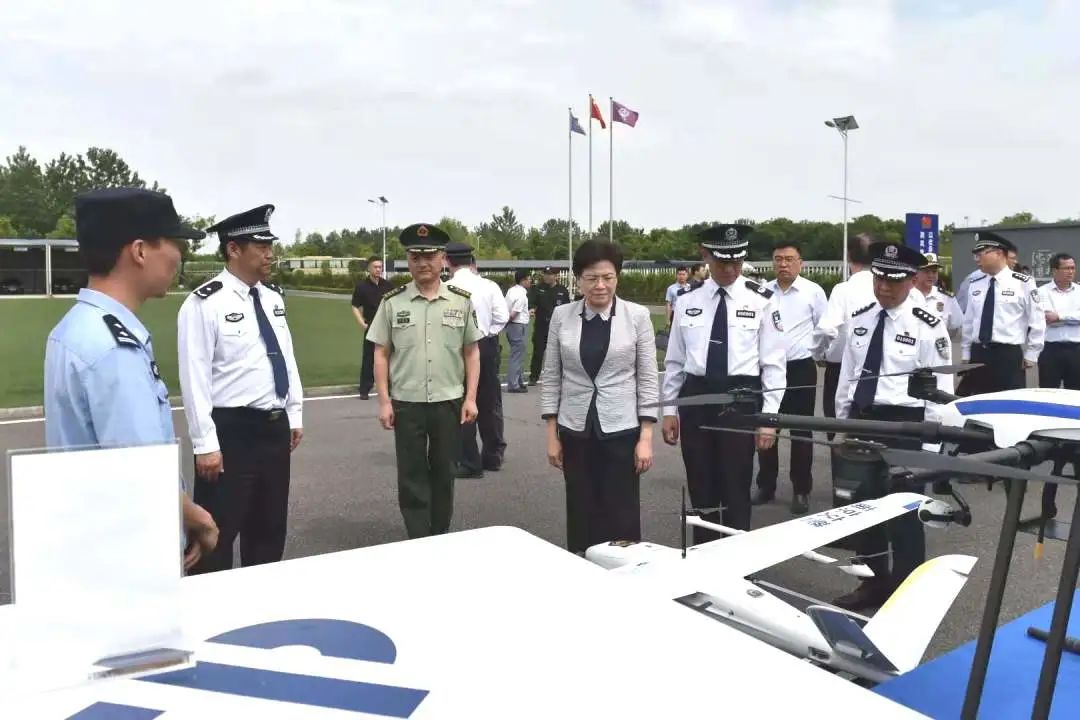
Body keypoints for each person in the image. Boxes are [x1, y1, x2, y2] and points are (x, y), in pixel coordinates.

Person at [44, 187, 218, 571]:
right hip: (131, 549)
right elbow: (142, 469)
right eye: (173, 243)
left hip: (92, 539)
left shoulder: (75, 328)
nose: (180, 255)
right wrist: (198, 518)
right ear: (139, 251)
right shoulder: (114, 347)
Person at [177, 205, 304, 574]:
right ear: (234, 249)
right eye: (261, 246)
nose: (270, 254)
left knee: (269, 530)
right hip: (231, 432)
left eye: (270, 246)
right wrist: (205, 444)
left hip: (273, 428)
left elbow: (286, 357)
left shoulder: (273, 298)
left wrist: (294, 412)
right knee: (217, 533)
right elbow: (195, 377)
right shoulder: (204, 303)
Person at [832, 242, 954, 610]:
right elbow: (848, 376)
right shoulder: (861, 318)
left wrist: (931, 449)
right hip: (863, 421)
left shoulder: (928, 325)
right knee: (862, 509)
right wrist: (841, 425)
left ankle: (905, 589)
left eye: (893, 281)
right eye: (879, 279)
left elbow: (940, 390)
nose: (884, 287)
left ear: (913, 281)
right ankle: (871, 582)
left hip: (906, 426)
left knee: (905, 513)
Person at [662, 224, 785, 539]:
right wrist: (669, 410)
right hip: (696, 399)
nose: (730, 269)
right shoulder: (687, 298)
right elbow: (674, 360)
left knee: (735, 486)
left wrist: (769, 418)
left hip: (739, 399)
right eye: (722, 262)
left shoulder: (762, 299)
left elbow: (773, 364)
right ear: (705, 256)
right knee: (701, 485)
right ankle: (703, 554)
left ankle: (736, 557)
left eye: (737, 262)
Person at [541, 240, 658, 553]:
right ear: (578, 279)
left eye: (607, 277)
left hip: (621, 429)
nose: (600, 285)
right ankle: (582, 563)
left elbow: (648, 378)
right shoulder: (561, 316)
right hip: (575, 428)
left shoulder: (637, 316)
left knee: (621, 509)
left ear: (617, 277)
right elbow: (551, 376)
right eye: (591, 278)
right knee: (581, 506)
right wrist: (552, 434)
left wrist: (646, 437)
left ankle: (625, 565)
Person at [367, 223, 482, 538]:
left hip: (448, 400)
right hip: (407, 402)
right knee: (411, 473)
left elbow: (472, 352)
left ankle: (439, 532)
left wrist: (471, 398)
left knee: (445, 471)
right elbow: (381, 354)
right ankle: (418, 535)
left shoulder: (460, 301)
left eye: (429, 256)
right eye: (415, 257)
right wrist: (384, 401)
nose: (422, 263)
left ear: (443, 258)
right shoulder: (393, 302)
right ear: (408, 260)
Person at [754, 240, 827, 515]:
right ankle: (766, 485)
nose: (783, 264)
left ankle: (801, 489)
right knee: (767, 426)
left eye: (789, 259)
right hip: (768, 369)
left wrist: (815, 354)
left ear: (800, 263)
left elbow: (824, 328)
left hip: (800, 368)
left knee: (801, 432)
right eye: (778, 259)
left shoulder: (813, 292)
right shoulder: (763, 292)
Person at [445, 241, 510, 477]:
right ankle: (493, 455)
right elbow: (502, 317)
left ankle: (468, 460)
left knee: (462, 401)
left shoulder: (446, 288)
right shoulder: (489, 286)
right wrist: (486, 333)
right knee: (490, 401)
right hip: (486, 344)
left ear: (447, 261)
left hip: (458, 348)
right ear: (472, 261)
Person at [960, 232, 1045, 395]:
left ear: (999, 253)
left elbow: (1037, 320)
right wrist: (966, 352)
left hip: (1007, 355)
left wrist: (1032, 353)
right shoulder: (976, 284)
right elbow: (969, 322)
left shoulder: (1023, 283)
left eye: (981, 254)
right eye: (975, 255)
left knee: (1009, 401)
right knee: (978, 400)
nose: (977, 259)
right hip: (979, 353)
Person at [813, 233, 876, 433]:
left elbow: (826, 329)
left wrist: (819, 354)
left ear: (849, 256)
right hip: (879, 369)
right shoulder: (888, 287)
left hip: (840, 368)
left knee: (839, 429)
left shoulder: (843, 289)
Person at [1038, 252, 1080, 514]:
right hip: (1050, 350)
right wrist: (1071, 316)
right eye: (1066, 268)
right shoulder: (1042, 292)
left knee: (1076, 397)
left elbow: (1056, 318)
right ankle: (1048, 441)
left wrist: (1061, 316)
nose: (1070, 272)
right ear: (1054, 270)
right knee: (1049, 396)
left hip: (1076, 350)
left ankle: (1076, 438)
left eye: (1073, 268)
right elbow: (1044, 317)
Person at [351, 255, 394, 400]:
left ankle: (389, 387)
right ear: (369, 268)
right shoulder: (361, 287)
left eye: (380, 267)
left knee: (388, 357)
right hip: (371, 326)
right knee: (369, 359)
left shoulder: (388, 286)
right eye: (375, 267)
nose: (378, 269)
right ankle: (364, 389)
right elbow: (355, 306)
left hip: (387, 326)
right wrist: (361, 323)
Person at [529, 266, 571, 385]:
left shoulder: (562, 290)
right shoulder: (538, 289)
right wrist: (531, 308)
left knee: (559, 353)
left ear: (556, 276)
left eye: (550, 274)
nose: (547, 277)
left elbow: (567, 308)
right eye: (545, 274)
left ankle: (561, 376)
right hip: (541, 326)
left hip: (557, 328)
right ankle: (534, 377)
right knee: (538, 353)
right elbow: (531, 302)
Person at [914, 253, 962, 334]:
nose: (931, 275)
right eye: (926, 271)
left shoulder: (946, 298)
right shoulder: (906, 295)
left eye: (934, 272)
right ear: (916, 273)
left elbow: (956, 326)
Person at [504, 269, 531, 393]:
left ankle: (518, 381)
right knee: (517, 354)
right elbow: (515, 312)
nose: (530, 281)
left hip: (512, 326)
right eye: (528, 279)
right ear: (523, 280)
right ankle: (514, 384)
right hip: (518, 325)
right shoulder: (521, 294)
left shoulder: (511, 291)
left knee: (517, 353)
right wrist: (508, 320)